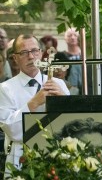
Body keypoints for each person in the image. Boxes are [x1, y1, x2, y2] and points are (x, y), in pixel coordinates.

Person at [0, 35, 70, 168]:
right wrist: (33, 104)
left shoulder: (59, 84)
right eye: (24, 52)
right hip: (21, 159)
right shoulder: (5, 89)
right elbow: (11, 130)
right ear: (15, 58)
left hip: (57, 157)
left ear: (41, 53)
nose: (31, 57)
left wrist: (63, 101)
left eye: (34, 51)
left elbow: (72, 123)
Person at [63, 27, 83, 94]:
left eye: (75, 35)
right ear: (65, 38)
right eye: (69, 35)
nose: (72, 37)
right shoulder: (62, 56)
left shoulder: (85, 56)